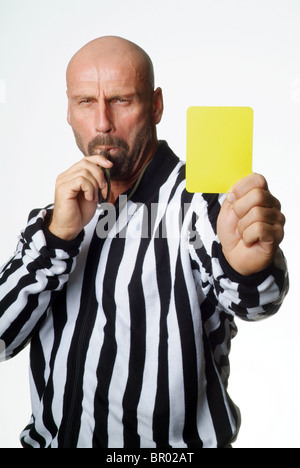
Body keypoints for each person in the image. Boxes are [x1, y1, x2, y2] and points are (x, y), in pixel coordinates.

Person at [0, 36, 288, 449]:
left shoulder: (204, 204)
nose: (102, 123)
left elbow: (258, 300)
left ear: (155, 105)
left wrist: (249, 264)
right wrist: (56, 237)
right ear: (68, 111)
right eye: (85, 102)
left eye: (120, 100)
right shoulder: (52, 219)